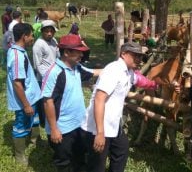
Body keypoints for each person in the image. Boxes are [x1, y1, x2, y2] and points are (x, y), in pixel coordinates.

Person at [81, 42, 170, 172]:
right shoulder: (114, 70)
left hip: (113, 125)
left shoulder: (128, 72)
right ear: (123, 54)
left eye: (140, 57)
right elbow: (99, 99)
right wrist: (100, 133)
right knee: (97, 165)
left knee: (121, 151)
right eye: (135, 56)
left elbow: (142, 81)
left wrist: (158, 85)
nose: (139, 60)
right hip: (98, 128)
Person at [41, 34, 101, 172]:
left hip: (78, 123)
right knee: (64, 161)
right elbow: (47, 102)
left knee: (79, 156)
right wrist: (54, 129)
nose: (81, 54)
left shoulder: (77, 68)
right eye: (78, 51)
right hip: (62, 128)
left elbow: (95, 72)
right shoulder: (55, 72)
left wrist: (115, 70)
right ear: (66, 52)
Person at [6, 23, 41, 165]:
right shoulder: (17, 56)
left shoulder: (21, 50)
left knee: (34, 119)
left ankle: (35, 140)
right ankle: (19, 156)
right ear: (24, 36)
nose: (33, 38)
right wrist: (26, 105)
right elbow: (17, 83)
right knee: (21, 125)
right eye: (31, 35)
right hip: (24, 100)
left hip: (31, 96)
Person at [32, 20, 59, 128]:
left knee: (54, 99)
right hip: (44, 78)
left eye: (51, 31)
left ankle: (53, 117)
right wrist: (47, 78)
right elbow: (37, 66)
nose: (49, 34)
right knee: (45, 101)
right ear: (42, 32)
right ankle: (44, 121)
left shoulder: (54, 41)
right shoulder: (38, 45)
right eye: (47, 31)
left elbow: (57, 56)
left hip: (55, 75)